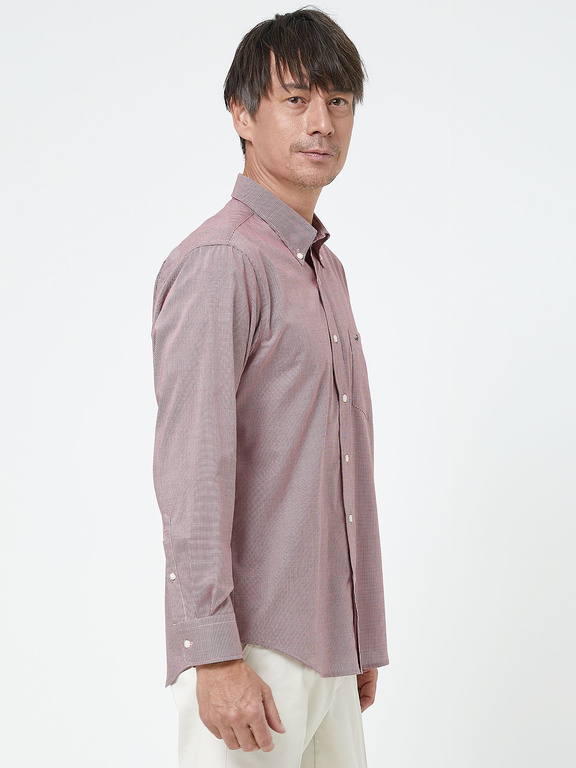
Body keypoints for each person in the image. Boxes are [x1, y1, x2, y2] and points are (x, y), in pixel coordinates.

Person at [151, 7, 389, 766]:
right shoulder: (222, 262)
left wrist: (359, 631)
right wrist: (213, 653)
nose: (322, 122)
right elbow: (193, 470)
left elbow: (335, 466)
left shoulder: (324, 268)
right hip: (251, 654)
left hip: (329, 649)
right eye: (296, 99)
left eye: (339, 101)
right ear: (242, 115)